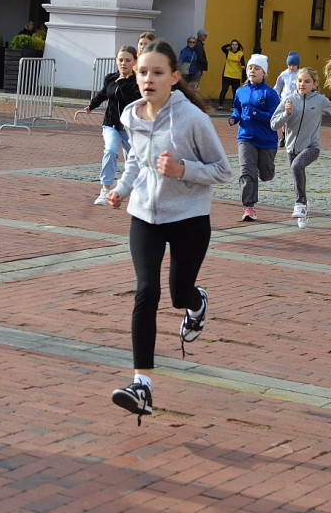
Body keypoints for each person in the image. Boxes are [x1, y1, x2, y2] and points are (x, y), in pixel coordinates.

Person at [107, 39, 231, 423]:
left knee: (178, 294)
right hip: (145, 216)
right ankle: (140, 383)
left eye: (157, 72)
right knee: (146, 290)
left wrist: (183, 171)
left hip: (189, 218)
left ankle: (196, 303)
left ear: (174, 78)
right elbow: (136, 163)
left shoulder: (193, 119)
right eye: (143, 72)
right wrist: (121, 190)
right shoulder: (131, 116)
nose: (148, 79)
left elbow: (222, 170)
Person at [270, 67, 331, 229]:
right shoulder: (289, 100)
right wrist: (286, 113)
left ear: (314, 84)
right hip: (292, 148)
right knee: (297, 174)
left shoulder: (320, 101)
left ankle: (299, 204)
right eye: (299, 81)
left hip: (312, 147)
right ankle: (304, 207)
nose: (302, 84)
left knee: (297, 166)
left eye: (307, 81)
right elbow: (273, 124)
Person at [84, 45, 140, 205]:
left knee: (134, 159)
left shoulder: (137, 81)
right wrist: (92, 105)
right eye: (120, 60)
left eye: (128, 60)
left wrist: (123, 83)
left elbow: (131, 99)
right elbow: (103, 94)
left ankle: (134, 192)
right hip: (111, 124)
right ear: (116, 61)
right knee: (110, 150)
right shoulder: (110, 78)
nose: (124, 63)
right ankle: (105, 190)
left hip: (131, 128)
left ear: (134, 62)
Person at [228, 54, 280, 222]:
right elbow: (237, 108)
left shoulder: (270, 93)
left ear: (263, 73)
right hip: (246, 137)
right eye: (250, 68)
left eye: (257, 68)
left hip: (266, 140)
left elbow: (275, 117)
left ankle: (268, 172)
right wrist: (234, 117)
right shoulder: (240, 91)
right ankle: (249, 207)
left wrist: (256, 113)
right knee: (246, 171)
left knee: (264, 174)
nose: (252, 71)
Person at [273, 51, 301, 147]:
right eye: (290, 65)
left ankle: (293, 137)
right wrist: (276, 97)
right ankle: (284, 137)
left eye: (294, 65)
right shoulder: (284, 74)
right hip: (285, 99)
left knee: (295, 119)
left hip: (297, 99)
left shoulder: (300, 74)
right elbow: (277, 86)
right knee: (285, 118)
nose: (292, 67)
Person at [217, 39, 245, 110]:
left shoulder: (240, 54)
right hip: (227, 73)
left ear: (238, 46)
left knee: (235, 91)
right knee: (224, 89)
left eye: (236, 45)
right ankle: (220, 104)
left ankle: (233, 106)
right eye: (233, 44)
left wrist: (243, 66)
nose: (234, 46)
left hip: (236, 75)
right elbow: (222, 48)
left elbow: (243, 62)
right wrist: (229, 45)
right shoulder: (228, 52)